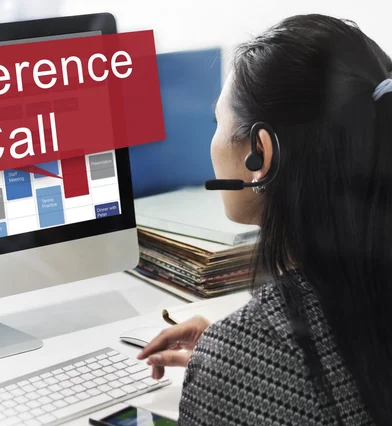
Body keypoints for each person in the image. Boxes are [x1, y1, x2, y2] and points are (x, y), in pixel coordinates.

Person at [138, 14, 392, 425]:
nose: (213, 141)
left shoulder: (241, 360)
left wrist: (238, 359)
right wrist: (246, 348)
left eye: (217, 123)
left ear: (260, 153)